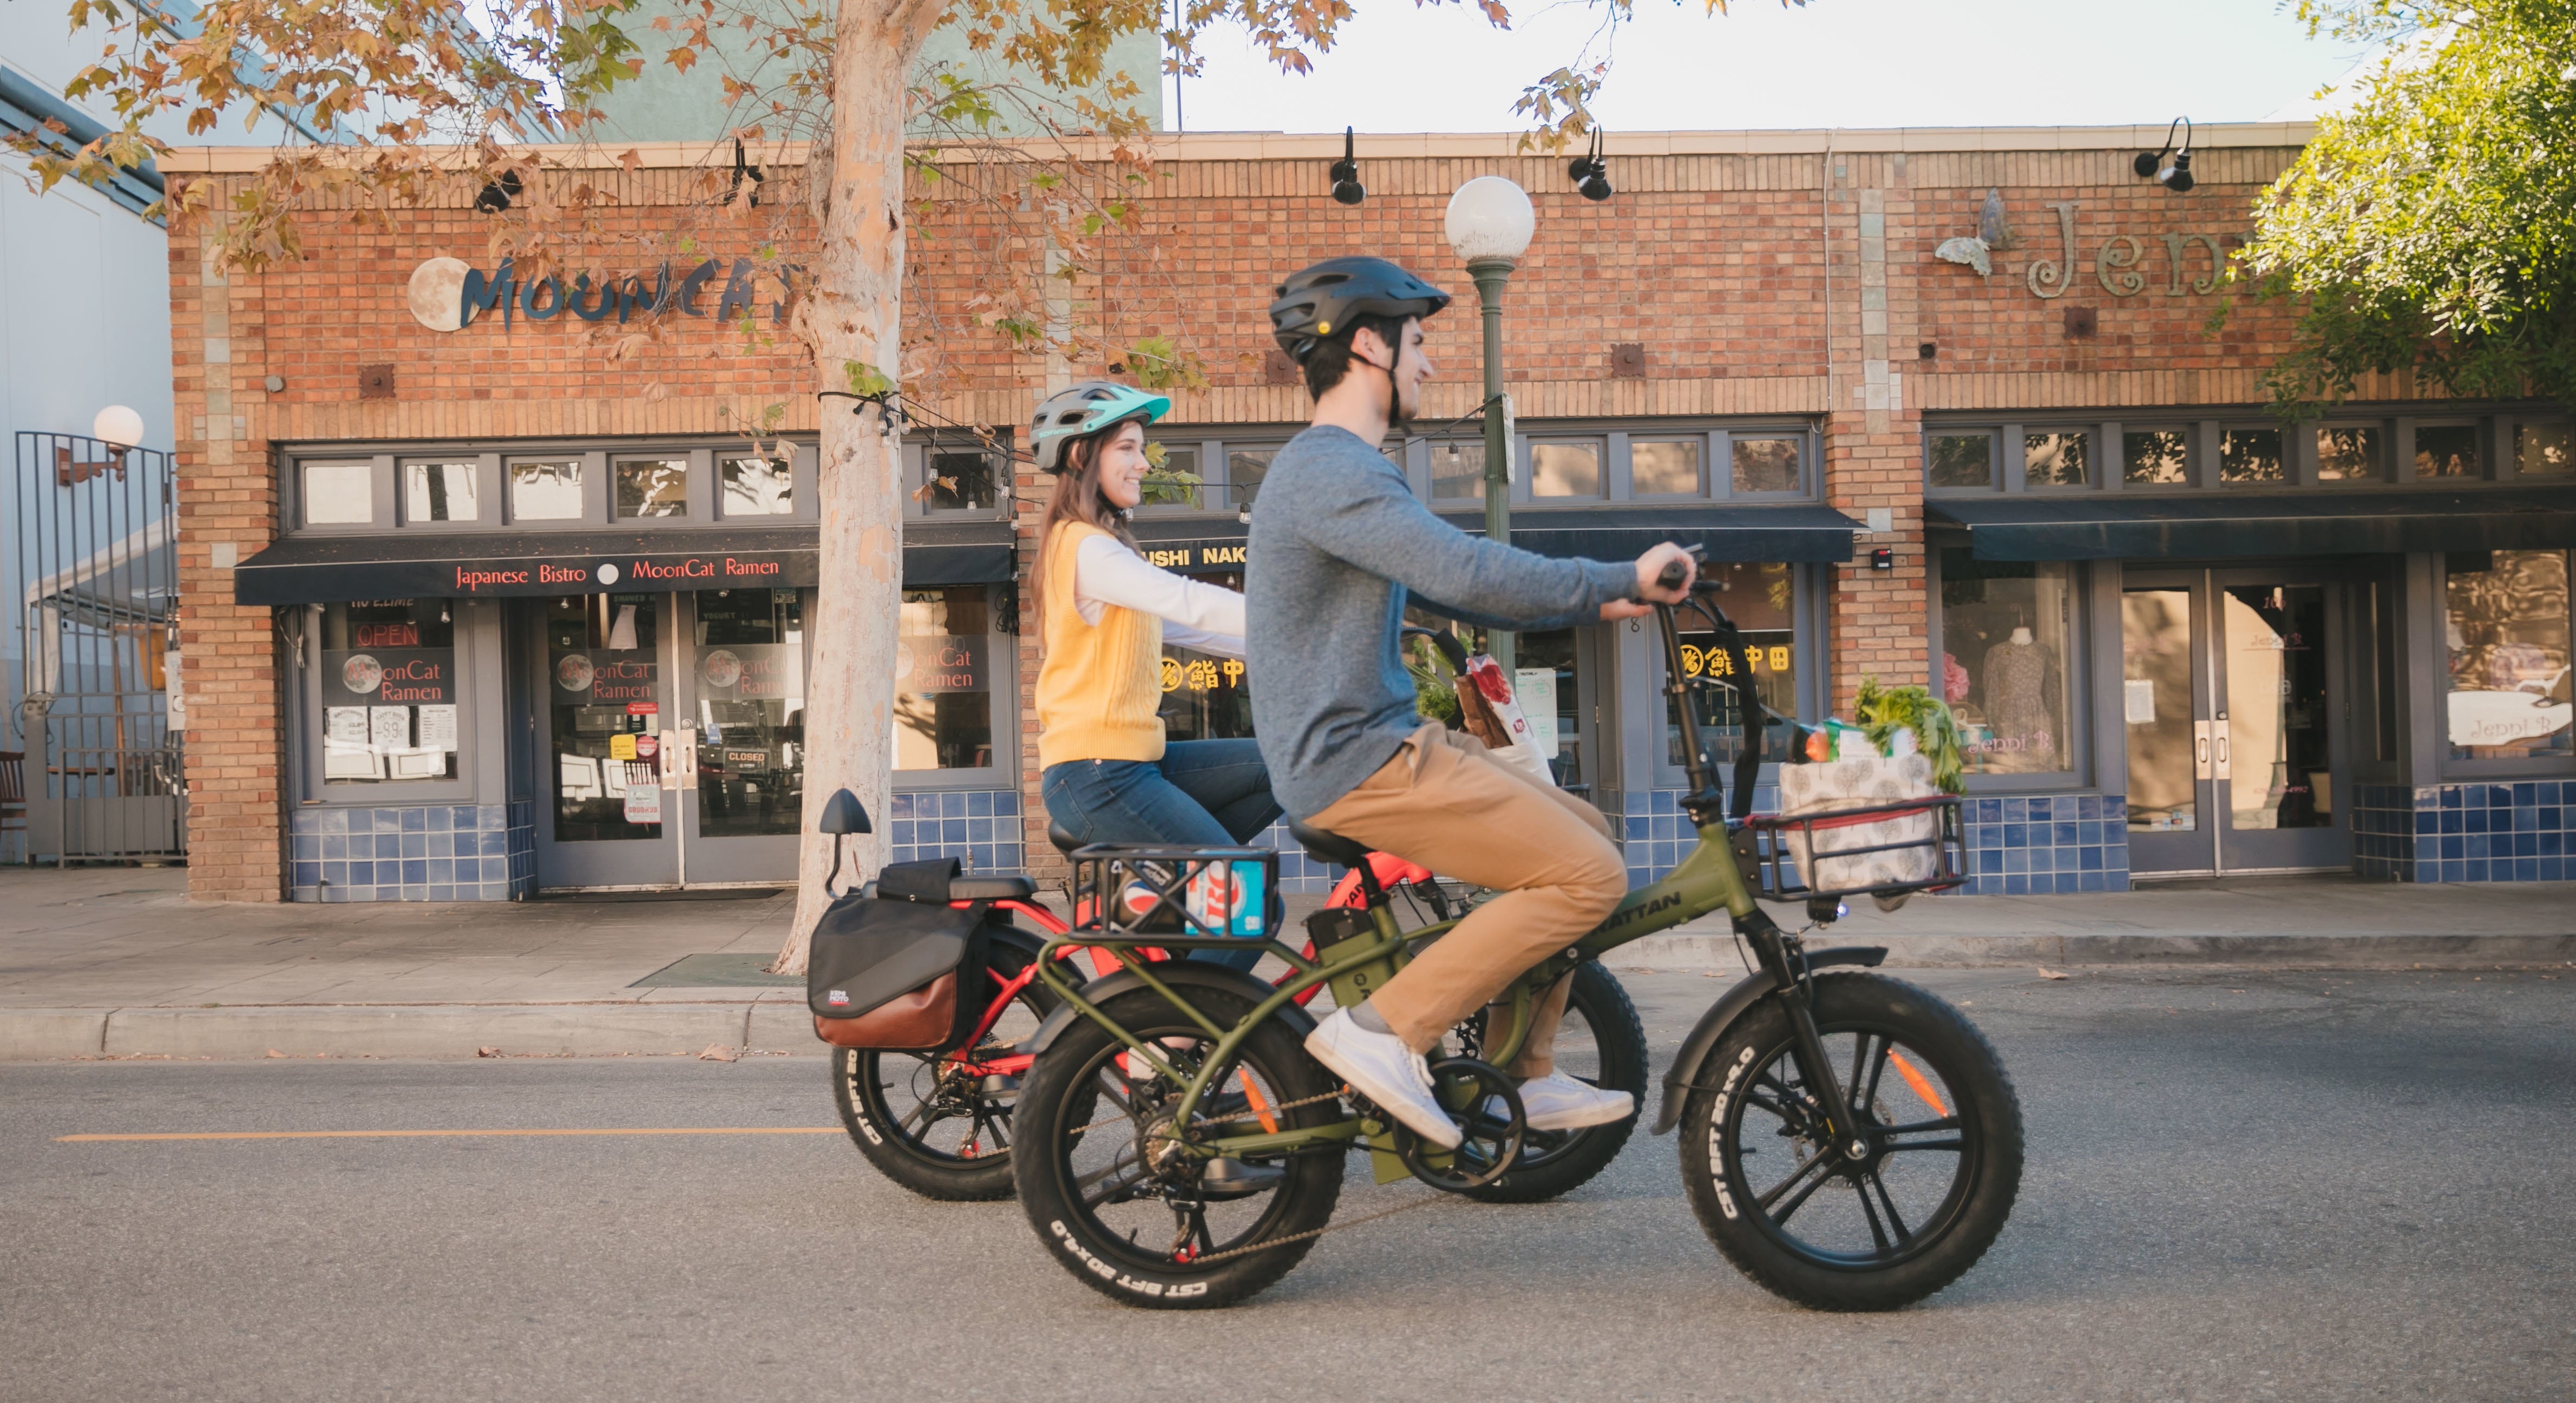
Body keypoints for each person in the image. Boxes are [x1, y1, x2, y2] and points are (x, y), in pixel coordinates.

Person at [1245, 257, 1695, 1147]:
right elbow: (1463, 570)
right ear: (1367, 345)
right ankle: (1380, 1032)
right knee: (1587, 877)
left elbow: (1444, 585)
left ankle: (1518, 1077)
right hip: (1355, 761)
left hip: (1379, 743)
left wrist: (1602, 602)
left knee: (1586, 836)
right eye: (1416, 342)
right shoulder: (1330, 469)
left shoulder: (1338, 470)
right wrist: (1615, 575)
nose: (1428, 361)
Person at [1031, 381, 1282, 971]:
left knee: (1285, 761)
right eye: (1127, 448)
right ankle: (1181, 1024)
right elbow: (1187, 600)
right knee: (1246, 902)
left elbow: (1194, 629)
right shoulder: (1085, 547)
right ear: (1080, 455)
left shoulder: (1098, 548)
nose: (1143, 463)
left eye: (1140, 450)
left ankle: (1189, 907)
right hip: (1099, 774)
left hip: (1129, 764)